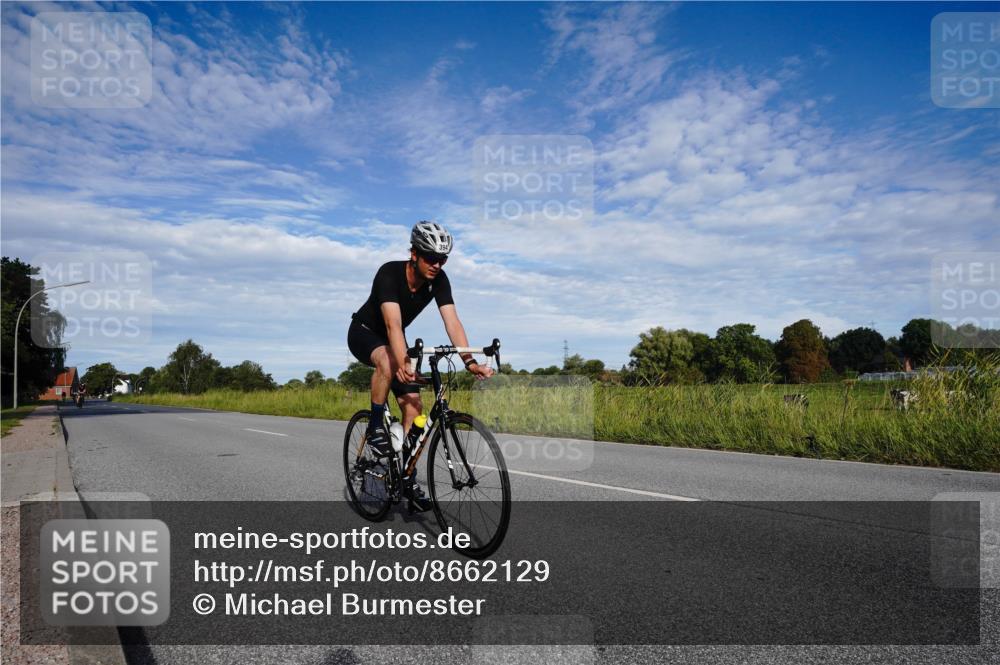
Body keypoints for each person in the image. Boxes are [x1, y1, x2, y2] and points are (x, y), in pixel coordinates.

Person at [347, 222, 493, 507]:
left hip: (395, 339)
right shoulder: (389, 273)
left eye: (443, 259)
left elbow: (452, 322)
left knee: (415, 410)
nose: (437, 264)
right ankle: (375, 424)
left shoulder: (439, 280)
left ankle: (405, 478)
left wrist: (470, 361)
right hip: (365, 333)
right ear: (414, 254)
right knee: (390, 360)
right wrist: (403, 361)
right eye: (431, 257)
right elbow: (393, 324)